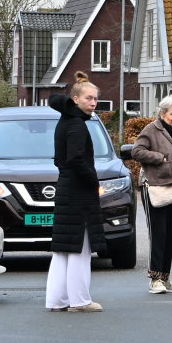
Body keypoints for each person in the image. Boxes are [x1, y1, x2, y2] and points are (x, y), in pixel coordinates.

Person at [45, 76, 105, 312]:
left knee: (63, 249)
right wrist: (93, 180)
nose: (93, 103)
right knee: (81, 247)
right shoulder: (77, 125)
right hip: (79, 191)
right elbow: (77, 159)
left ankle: (56, 300)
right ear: (76, 99)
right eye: (89, 98)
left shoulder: (65, 120)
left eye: (96, 99)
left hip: (65, 187)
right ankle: (80, 301)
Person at [132, 94, 172, 294]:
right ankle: (155, 278)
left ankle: (166, 277)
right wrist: (159, 157)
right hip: (154, 187)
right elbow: (136, 151)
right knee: (158, 234)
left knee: (171, 234)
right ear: (163, 113)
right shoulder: (151, 129)